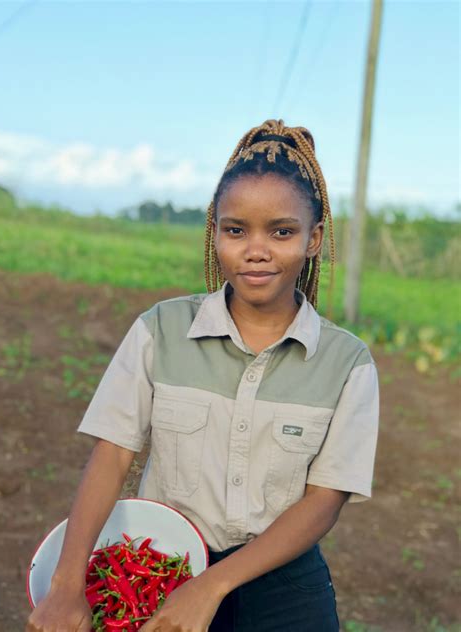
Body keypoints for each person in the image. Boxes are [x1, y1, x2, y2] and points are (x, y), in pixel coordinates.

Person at [26, 118, 379, 632]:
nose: (256, 249)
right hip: (166, 564)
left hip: (283, 580)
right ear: (215, 233)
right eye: (236, 230)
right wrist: (66, 584)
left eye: (282, 231)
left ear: (314, 239)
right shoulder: (160, 330)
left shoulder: (348, 362)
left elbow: (324, 500)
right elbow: (113, 451)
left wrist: (212, 586)